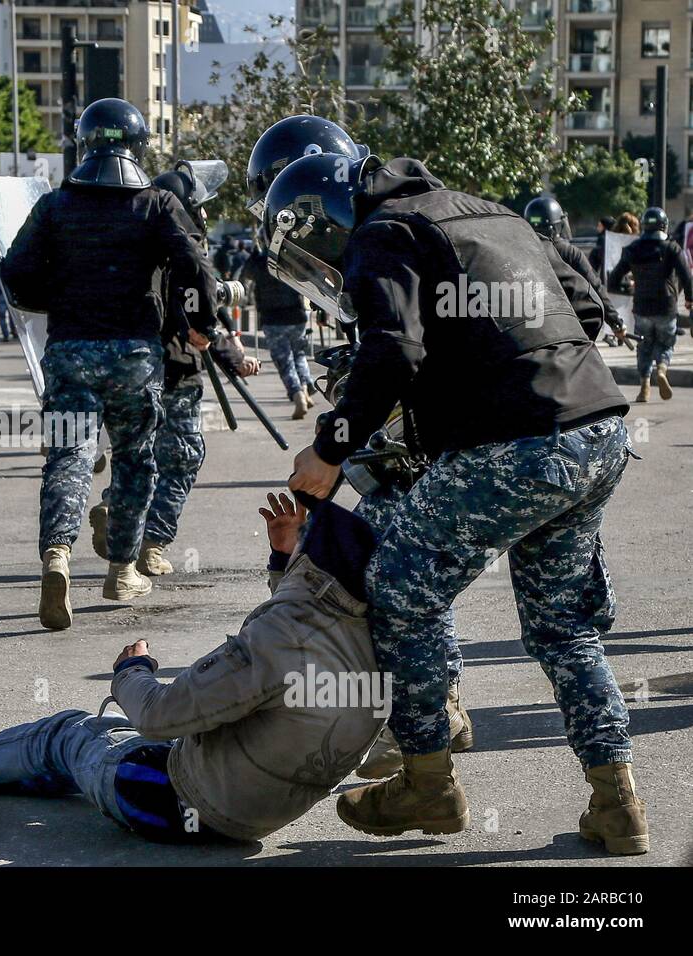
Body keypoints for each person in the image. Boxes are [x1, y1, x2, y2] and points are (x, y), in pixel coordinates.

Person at [270, 148, 646, 854]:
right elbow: (587, 307)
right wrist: (498, 377)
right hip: (598, 429)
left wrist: (328, 449)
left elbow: (391, 352)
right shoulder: (493, 213)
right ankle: (617, 801)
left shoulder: (385, 232)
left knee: (397, 589)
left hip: (519, 445)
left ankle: (429, 782)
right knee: (564, 628)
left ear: (328, 216)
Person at [0, 493, 384, 845]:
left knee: (68, 733)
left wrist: (131, 671)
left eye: (306, 542)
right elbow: (305, 628)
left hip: (170, 799)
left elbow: (159, 716)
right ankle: (28, 774)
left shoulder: (276, 642)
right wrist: (283, 558)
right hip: (255, 814)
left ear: (315, 568)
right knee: (105, 738)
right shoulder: (371, 644)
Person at [1, 98, 217, 630]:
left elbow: (17, 273)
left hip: (71, 348)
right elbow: (196, 264)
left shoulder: (55, 206)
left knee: (68, 456)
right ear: (139, 146)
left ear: (84, 142)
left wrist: (60, 295)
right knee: (135, 458)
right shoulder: (157, 203)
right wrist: (202, 322)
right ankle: (122, 569)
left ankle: (57, 554)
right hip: (135, 355)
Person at [90, 160, 258, 576]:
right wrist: (235, 358)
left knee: (139, 453)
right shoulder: (183, 250)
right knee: (183, 457)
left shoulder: (133, 247)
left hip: (131, 370)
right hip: (176, 372)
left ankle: (115, 502)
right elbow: (200, 318)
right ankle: (153, 544)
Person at [607, 206, 692, 403]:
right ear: (664, 225)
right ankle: (661, 369)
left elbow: (613, 280)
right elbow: (686, 276)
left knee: (644, 347)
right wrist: (689, 299)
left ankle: (644, 387)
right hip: (667, 305)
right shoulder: (671, 247)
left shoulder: (633, 249)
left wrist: (628, 289)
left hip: (642, 306)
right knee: (665, 343)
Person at [525, 196, 628, 346]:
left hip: (530, 329)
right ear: (557, 224)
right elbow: (594, 286)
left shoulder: (520, 250)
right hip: (566, 328)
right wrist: (615, 322)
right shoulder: (570, 253)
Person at [242, 246, 317, 419]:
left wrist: (253, 256)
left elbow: (247, 274)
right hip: (296, 315)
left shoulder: (260, 261)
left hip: (273, 318)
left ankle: (297, 394)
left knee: (284, 360)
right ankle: (305, 388)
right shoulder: (289, 257)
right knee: (298, 354)